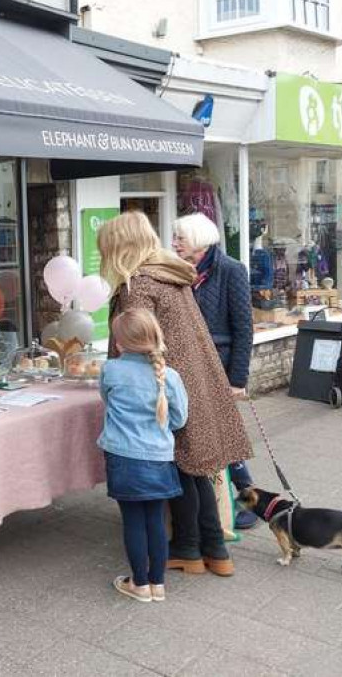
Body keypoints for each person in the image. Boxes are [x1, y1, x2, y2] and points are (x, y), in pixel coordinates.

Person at [99, 212, 252, 577]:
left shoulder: (139, 283)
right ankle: (215, 551)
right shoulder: (171, 274)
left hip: (165, 386)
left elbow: (135, 341)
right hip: (193, 380)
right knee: (195, 470)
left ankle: (187, 548)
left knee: (182, 470)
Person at [172, 213, 259, 530]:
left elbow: (243, 328)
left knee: (224, 432)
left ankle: (248, 497)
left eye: (180, 238)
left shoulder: (230, 270)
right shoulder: (179, 272)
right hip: (187, 367)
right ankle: (208, 502)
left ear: (197, 240)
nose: (174, 243)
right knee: (205, 434)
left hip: (219, 367)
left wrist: (238, 380)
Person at [100, 309, 188, 602]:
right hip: (159, 458)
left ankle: (139, 584)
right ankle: (158, 585)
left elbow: (107, 402)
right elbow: (179, 420)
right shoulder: (170, 376)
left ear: (120, 342)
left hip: (123, 458)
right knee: (155, 521)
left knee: (133, 522)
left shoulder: (110, 370)